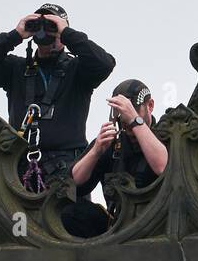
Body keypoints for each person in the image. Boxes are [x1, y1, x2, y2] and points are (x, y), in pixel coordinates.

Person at [0, 4, 115, 189]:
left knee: (70, 215)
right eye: (40, 25)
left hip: (67, 169)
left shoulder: (77, 70)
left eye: (52, 26)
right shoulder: (17, 69)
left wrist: (67, 33)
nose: (47, 32)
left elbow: (104, 64)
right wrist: (16, 35)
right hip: (19, 169)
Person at [63, 80, 168, 238]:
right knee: (69, 210)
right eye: (122, 118)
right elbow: (71, 184)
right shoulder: (113, 142)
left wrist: (135, 121)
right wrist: (96, 152)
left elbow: (162, 167)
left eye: (132, 114)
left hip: (159, 224)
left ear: (150, 106)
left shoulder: (165, 135)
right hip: (116, 225)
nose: (126, 124)